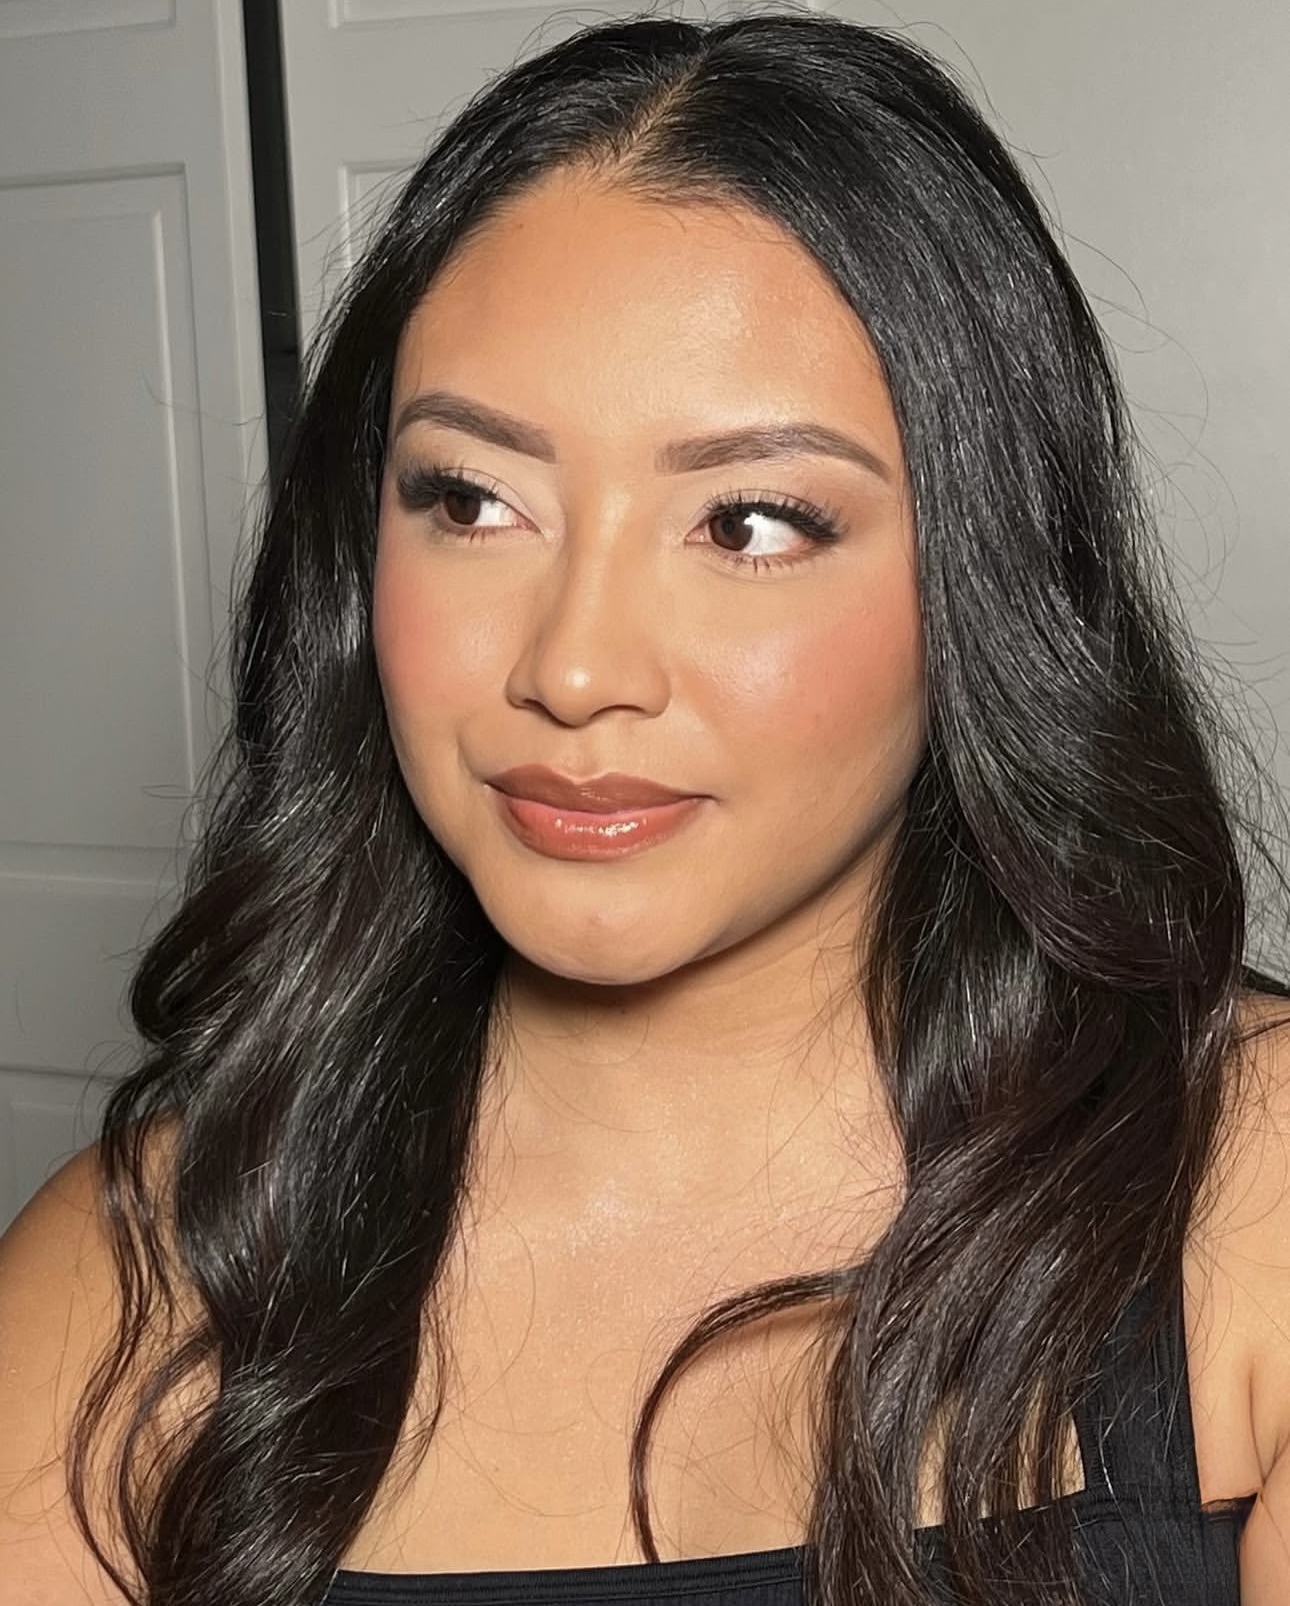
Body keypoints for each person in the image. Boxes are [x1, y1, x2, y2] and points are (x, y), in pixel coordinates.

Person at [2, 9, 1289, 1605]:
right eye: (472, 499)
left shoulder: (1249, 1185)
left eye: (748, 522)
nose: (573, 667)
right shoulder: (125, 1288)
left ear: (984, 577)